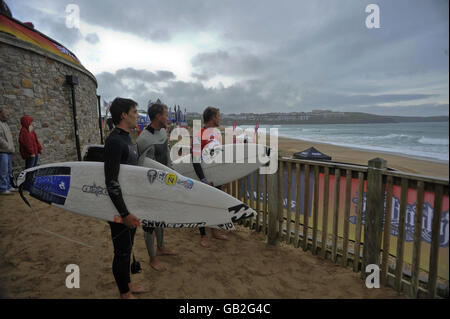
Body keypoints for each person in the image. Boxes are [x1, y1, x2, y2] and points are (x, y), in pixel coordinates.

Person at [104, 97, 147, 299]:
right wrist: (124, 213)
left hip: (130, 203)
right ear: (124, 115)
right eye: (135, 112)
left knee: (128, 248)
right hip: (119, 208)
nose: (137, 116)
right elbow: (111, 181)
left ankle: (128, 284)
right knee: (121, 252)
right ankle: (124, 293)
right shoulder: (114, 141)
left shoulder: (126, 138)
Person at [136, 102, 176, 271]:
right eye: (166, 114)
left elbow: (167, 157)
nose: (168, 117)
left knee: (160, 217)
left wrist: (172, 176)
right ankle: (152, 258)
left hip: (162, 184)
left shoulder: (162, 132)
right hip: (148, 186)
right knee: (149, 222)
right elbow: (141, 166)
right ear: (158, 116)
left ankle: (161, 247)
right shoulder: (143, 139)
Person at [192, 106, 229, 247]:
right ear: (213, 117)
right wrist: (203, 180)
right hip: (203, 177)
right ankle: (203, 235)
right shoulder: (198, 136)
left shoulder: (217, 135)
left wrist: (224, 177)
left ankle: (215, 231)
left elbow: (219, 157)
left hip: (216, 176)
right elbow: (195, 160)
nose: (220, 118)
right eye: (219, 116)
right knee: (203, 206)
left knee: (217, 203)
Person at [0, 107, 16, 195]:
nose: (8, 114)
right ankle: (3, 188)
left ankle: (9, 186)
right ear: (0, 113)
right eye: (6, 112)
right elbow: (0, 139)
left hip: (8, 151)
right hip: (2, 152)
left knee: (9, 170)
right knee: (3, 171)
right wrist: (8, 147)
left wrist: (10, 148)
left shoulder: (5, 124)